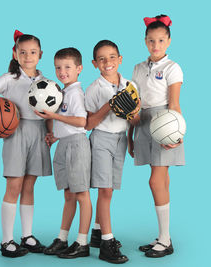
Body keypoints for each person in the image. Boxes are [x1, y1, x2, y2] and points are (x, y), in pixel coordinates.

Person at [0, 30, 52, 258]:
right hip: (15, 132)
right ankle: (6, 240)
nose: (28, 56)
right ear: (15, 53)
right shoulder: (9, 78)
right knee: (14, 186)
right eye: (23, 52)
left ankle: (26, 236)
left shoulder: (45, 81)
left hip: (38, 133)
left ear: (40, 54)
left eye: (33, 52)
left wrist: (50, 133)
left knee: (29, 186)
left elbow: (49, 112)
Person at [128, 14, 185, 258]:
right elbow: (134, 104)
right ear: (145, 41)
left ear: (169, 41)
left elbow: (174, 103)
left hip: (164, 123)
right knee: (162, 181)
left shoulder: (173, 68)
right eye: (151, 41)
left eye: (161, 40)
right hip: (142, 122)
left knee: (156, 180)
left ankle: (165, 240)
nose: (156, 46)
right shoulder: (138, 68)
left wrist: (176, 132)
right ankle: (164, 237)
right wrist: (130, 133)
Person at [34, 47, 92, 259]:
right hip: (64, 144)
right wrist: (55, 135)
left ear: (79, 69)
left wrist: (54, 118)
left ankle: (82, 242)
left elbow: (81, 122)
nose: (62, 71)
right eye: (58, 67)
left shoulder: (75, 92)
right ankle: (63, 238)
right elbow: (68, 123)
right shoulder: (61, 92)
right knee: (68, 194)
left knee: (82, 194)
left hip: (77, 145)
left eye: (67, 67)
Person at [84, 40, 129, 264]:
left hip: (121, 140)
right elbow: (88, 124)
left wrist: (131, 140)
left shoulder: (130, 85)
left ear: (120, 59)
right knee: (106, 191)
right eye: (101, 59)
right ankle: (107, 244)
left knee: (111, 190)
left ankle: (97, 231)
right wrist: (109, 106)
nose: (107, 62)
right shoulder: (93, 89)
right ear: (95, 63)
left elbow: (135, 118)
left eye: (112, 57)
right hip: (101, 139)